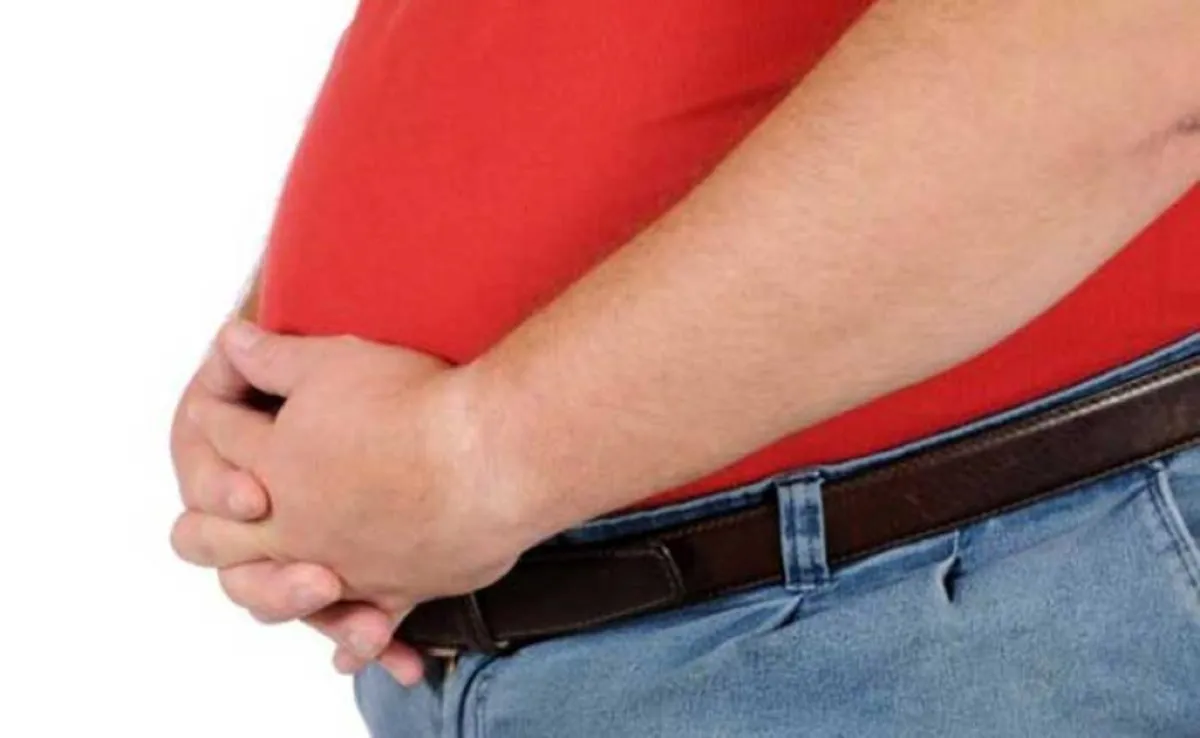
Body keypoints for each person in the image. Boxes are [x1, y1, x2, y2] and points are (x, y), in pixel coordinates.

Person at [169, 0, 1200, 735]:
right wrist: (274, 370)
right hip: (501, 643)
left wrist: (480, 460)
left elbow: (1126, 47)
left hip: (933, 603)